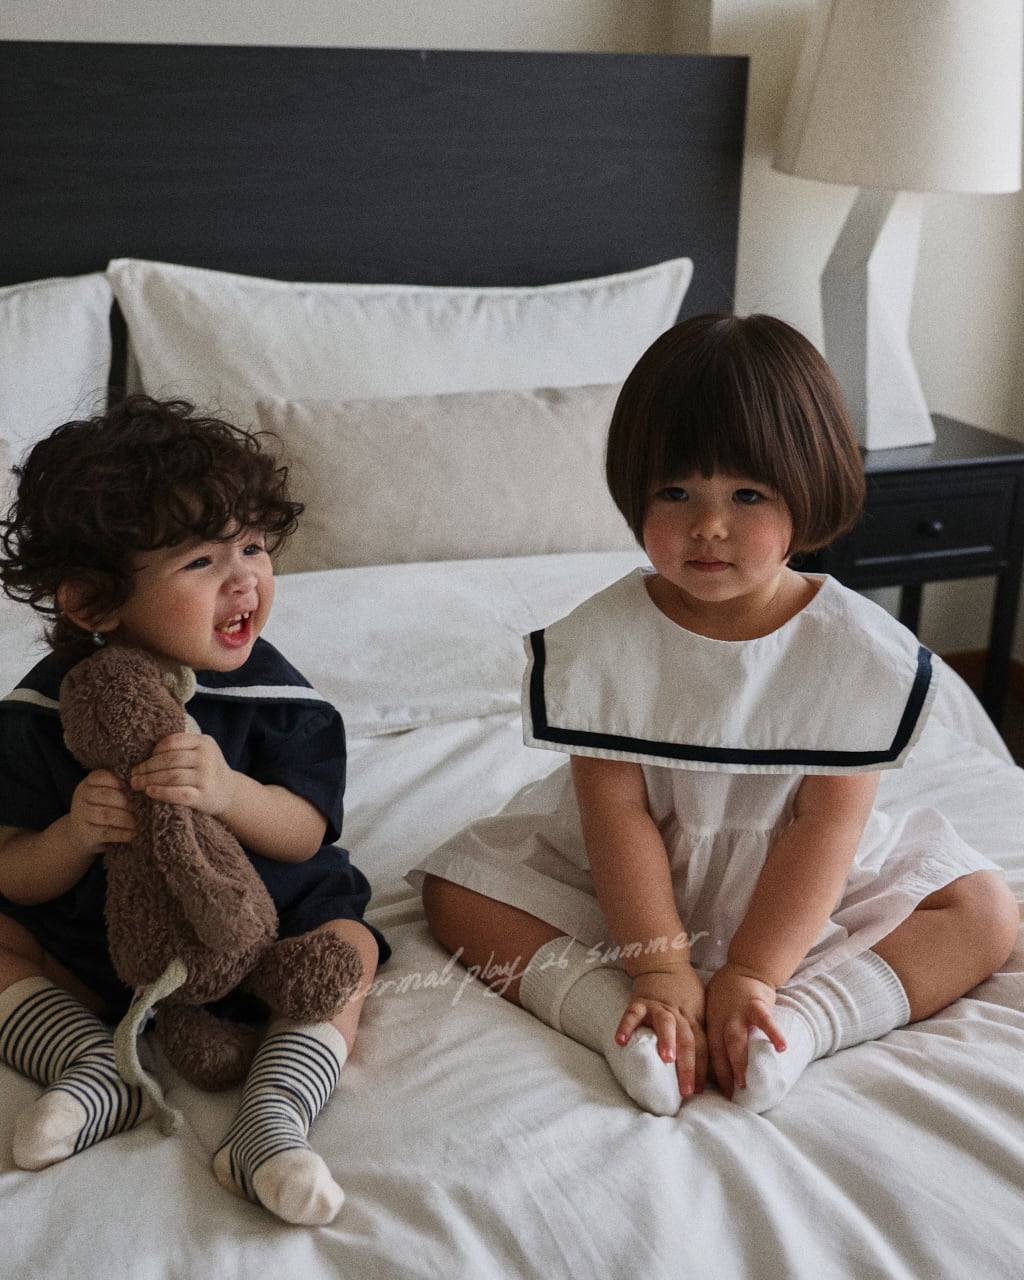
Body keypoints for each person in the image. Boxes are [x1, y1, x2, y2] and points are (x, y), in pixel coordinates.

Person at [412, 313, 1019, 1117]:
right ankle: (623, 1022)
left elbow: (827, 825)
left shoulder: (853, 652)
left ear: (807, 492)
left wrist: (754, 975)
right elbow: (616, 811)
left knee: (985, 913)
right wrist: (659, 967)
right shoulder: (605, 640)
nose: (708, 526)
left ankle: (794, 1027)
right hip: (625, 879)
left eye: (746, 495)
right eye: (675, 493)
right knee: (455, 890)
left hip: (801, 886)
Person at [0, 396, 388, 1226]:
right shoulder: (38, 716)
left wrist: (229, 793)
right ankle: (92, 1066)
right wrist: (71, 835)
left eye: (252, 547)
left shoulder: (280, 703)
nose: (245, 578)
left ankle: (272, 1116)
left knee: (350, 946)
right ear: (93, 602)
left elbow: (306, 833)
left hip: (263, 940)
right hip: (106, 953)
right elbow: (14, 872)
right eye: (203, 562)